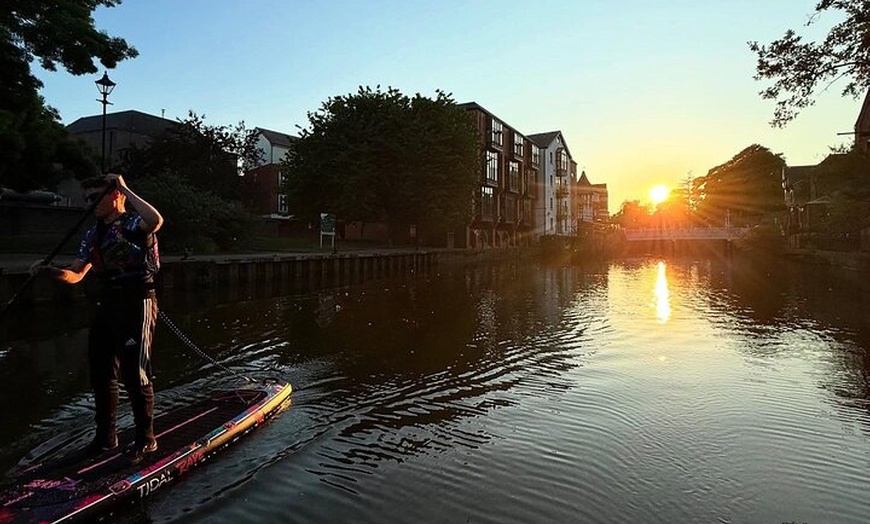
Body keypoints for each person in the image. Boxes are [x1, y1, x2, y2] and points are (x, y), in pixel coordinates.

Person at [32, 173, 163, 465]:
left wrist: (125, 187)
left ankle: (146, 440)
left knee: (135, 372)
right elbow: (76, 274)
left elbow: (155, 221)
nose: (89, 205)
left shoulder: (132, 223)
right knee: (101, 371)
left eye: (94, 198)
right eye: (86, 199)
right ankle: (106, 438)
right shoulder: (93, 234)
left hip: (138, 300)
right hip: (110, 302)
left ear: (114, 195)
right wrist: (50, 271)